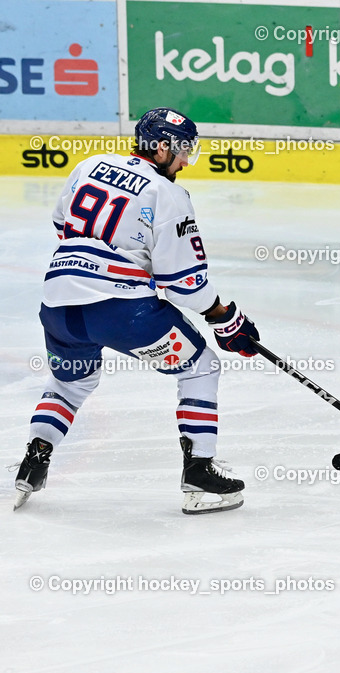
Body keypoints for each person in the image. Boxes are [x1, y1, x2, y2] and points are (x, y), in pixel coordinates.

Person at [13, 107, 261, 515]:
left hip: (57, 305)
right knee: (201, 367)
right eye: (181, 151)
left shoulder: (90, 164)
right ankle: (199, 472)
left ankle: (34, 462)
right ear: (161, 148)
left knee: (70, 385)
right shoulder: (168, 194)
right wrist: (227, 318)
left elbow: (62, 225)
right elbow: (185, 283)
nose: (185, 161)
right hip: (122, 312)